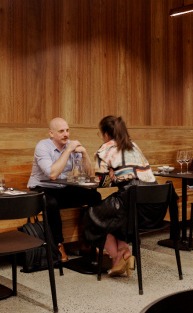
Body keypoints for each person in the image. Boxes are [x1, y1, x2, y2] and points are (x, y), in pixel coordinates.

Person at [85, 116, 156, 277]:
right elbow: (134, 174)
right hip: (152, 206)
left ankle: (117, 258)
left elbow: (101, 182)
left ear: (105, 134)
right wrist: (116, 176)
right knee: (116, 216)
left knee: (93, 215)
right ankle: (124, 252)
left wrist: (110, 176)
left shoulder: (105, 149)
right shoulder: (134, 146)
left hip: (131, 200)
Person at [27, 117, 101, 261]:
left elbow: (88, 174)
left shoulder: (70, 146)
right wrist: (68, 150)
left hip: (62, 188)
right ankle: (58, 245)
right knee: (51, 203)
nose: (66, 134)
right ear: (51, 133)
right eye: (61, 131)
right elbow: (52, 174)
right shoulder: (43, 146)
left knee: (94, 196)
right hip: (41, 188)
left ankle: (89, 242)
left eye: (67, 130)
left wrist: (84, 153)